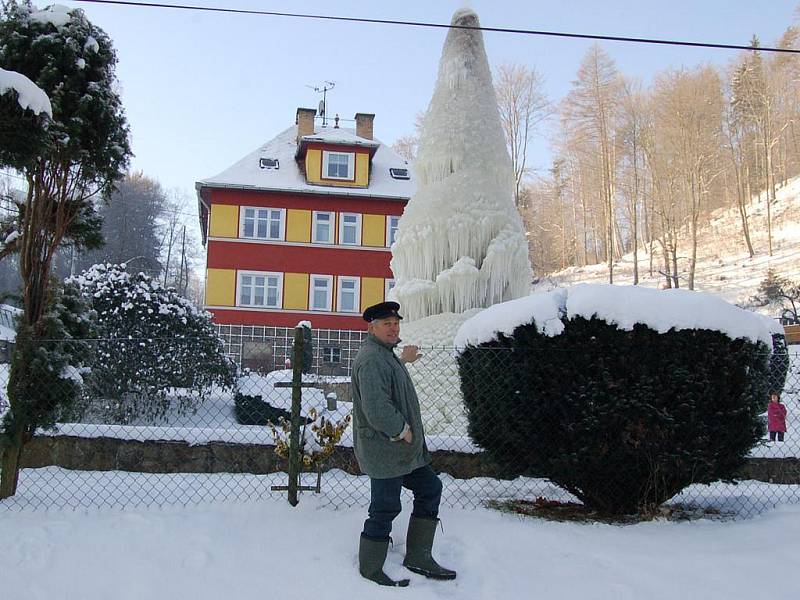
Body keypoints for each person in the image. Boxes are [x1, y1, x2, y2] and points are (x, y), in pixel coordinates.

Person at [352, 301, 457, 587]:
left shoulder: (384, 354)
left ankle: (418, 556)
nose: (393, 328)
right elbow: (376, 408)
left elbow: (390, 377)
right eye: (387, 324)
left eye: (396, 323)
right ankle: (371, 568)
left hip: (402, 452)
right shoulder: (372, 358)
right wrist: (401, 429)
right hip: (386, 449)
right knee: (384, 507)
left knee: (430, 487)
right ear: (371, 327)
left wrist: (404, 359)